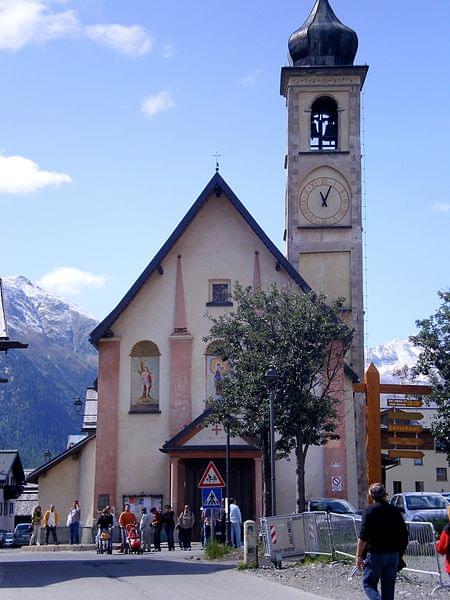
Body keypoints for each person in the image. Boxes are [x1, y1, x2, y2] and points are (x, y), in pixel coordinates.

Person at [356, 482, 408, 600]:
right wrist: (400, 553)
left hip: (376, 553)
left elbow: (363, 536)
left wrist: (358, 556)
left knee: (368, 584)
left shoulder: (369, 511)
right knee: (388, 589)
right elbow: (404, 535)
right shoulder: (395, 511)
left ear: (371, 495)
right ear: (385, 494)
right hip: (393, 554)